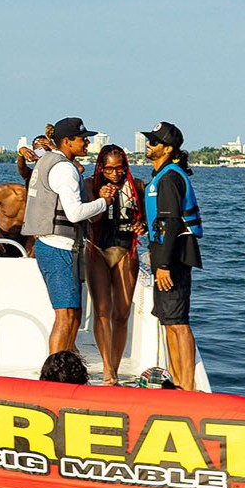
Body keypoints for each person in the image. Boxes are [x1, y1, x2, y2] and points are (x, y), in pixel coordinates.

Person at [24, 116, 114, 359]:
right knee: (65, 315)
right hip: (59, 248)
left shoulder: (47, 162)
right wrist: (103, 203)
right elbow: (74, 213)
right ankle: (53, 372)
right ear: (67, 141)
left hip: (52, 245)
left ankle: (63, 365)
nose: (87, 143)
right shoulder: (65, 169)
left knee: (73, 313)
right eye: (82, 139)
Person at [143, 121, 202, 390]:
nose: (148, 144)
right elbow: (159, 221)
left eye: (154, 141)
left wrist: (164, 265)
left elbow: (172, 223)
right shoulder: (162, 176)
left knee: (178, 323)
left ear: (167, 148)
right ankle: (177, 381)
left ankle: (187, 384)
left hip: (173, 259)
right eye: (148, 140)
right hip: (162, 257)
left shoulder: (169, 178)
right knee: (168, 321)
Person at [82, 144, 146, 384]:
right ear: (101, 167)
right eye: (109, 169)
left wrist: (144, 226)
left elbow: (148, 219)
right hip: (97, 249)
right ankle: (107, 369)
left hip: (125, 250)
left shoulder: (137, 186)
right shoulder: (91, 185)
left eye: (119, 168)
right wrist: (102, 200)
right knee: (101, 311)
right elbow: (92, 217)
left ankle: (115, 369)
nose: (115, 173)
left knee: (122, 313)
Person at [0, 182, 31, 256]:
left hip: (18, 241)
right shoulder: (3, 191)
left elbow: (37, 228)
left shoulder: (40, 203)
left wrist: (31, 245)